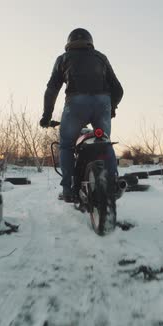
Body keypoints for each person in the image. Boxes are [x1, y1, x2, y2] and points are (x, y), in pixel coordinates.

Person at [40, 28, 123, 202]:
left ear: (69, 44)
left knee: (67, 146)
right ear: (90, 42)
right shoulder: (101, 57)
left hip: (76, 104)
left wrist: (46, 117)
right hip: (102, 103)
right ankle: (113, 183)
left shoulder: (63, 59)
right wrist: (112, 107)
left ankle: (68, 189)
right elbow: (118, 89)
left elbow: (52, 90)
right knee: (104, 141)